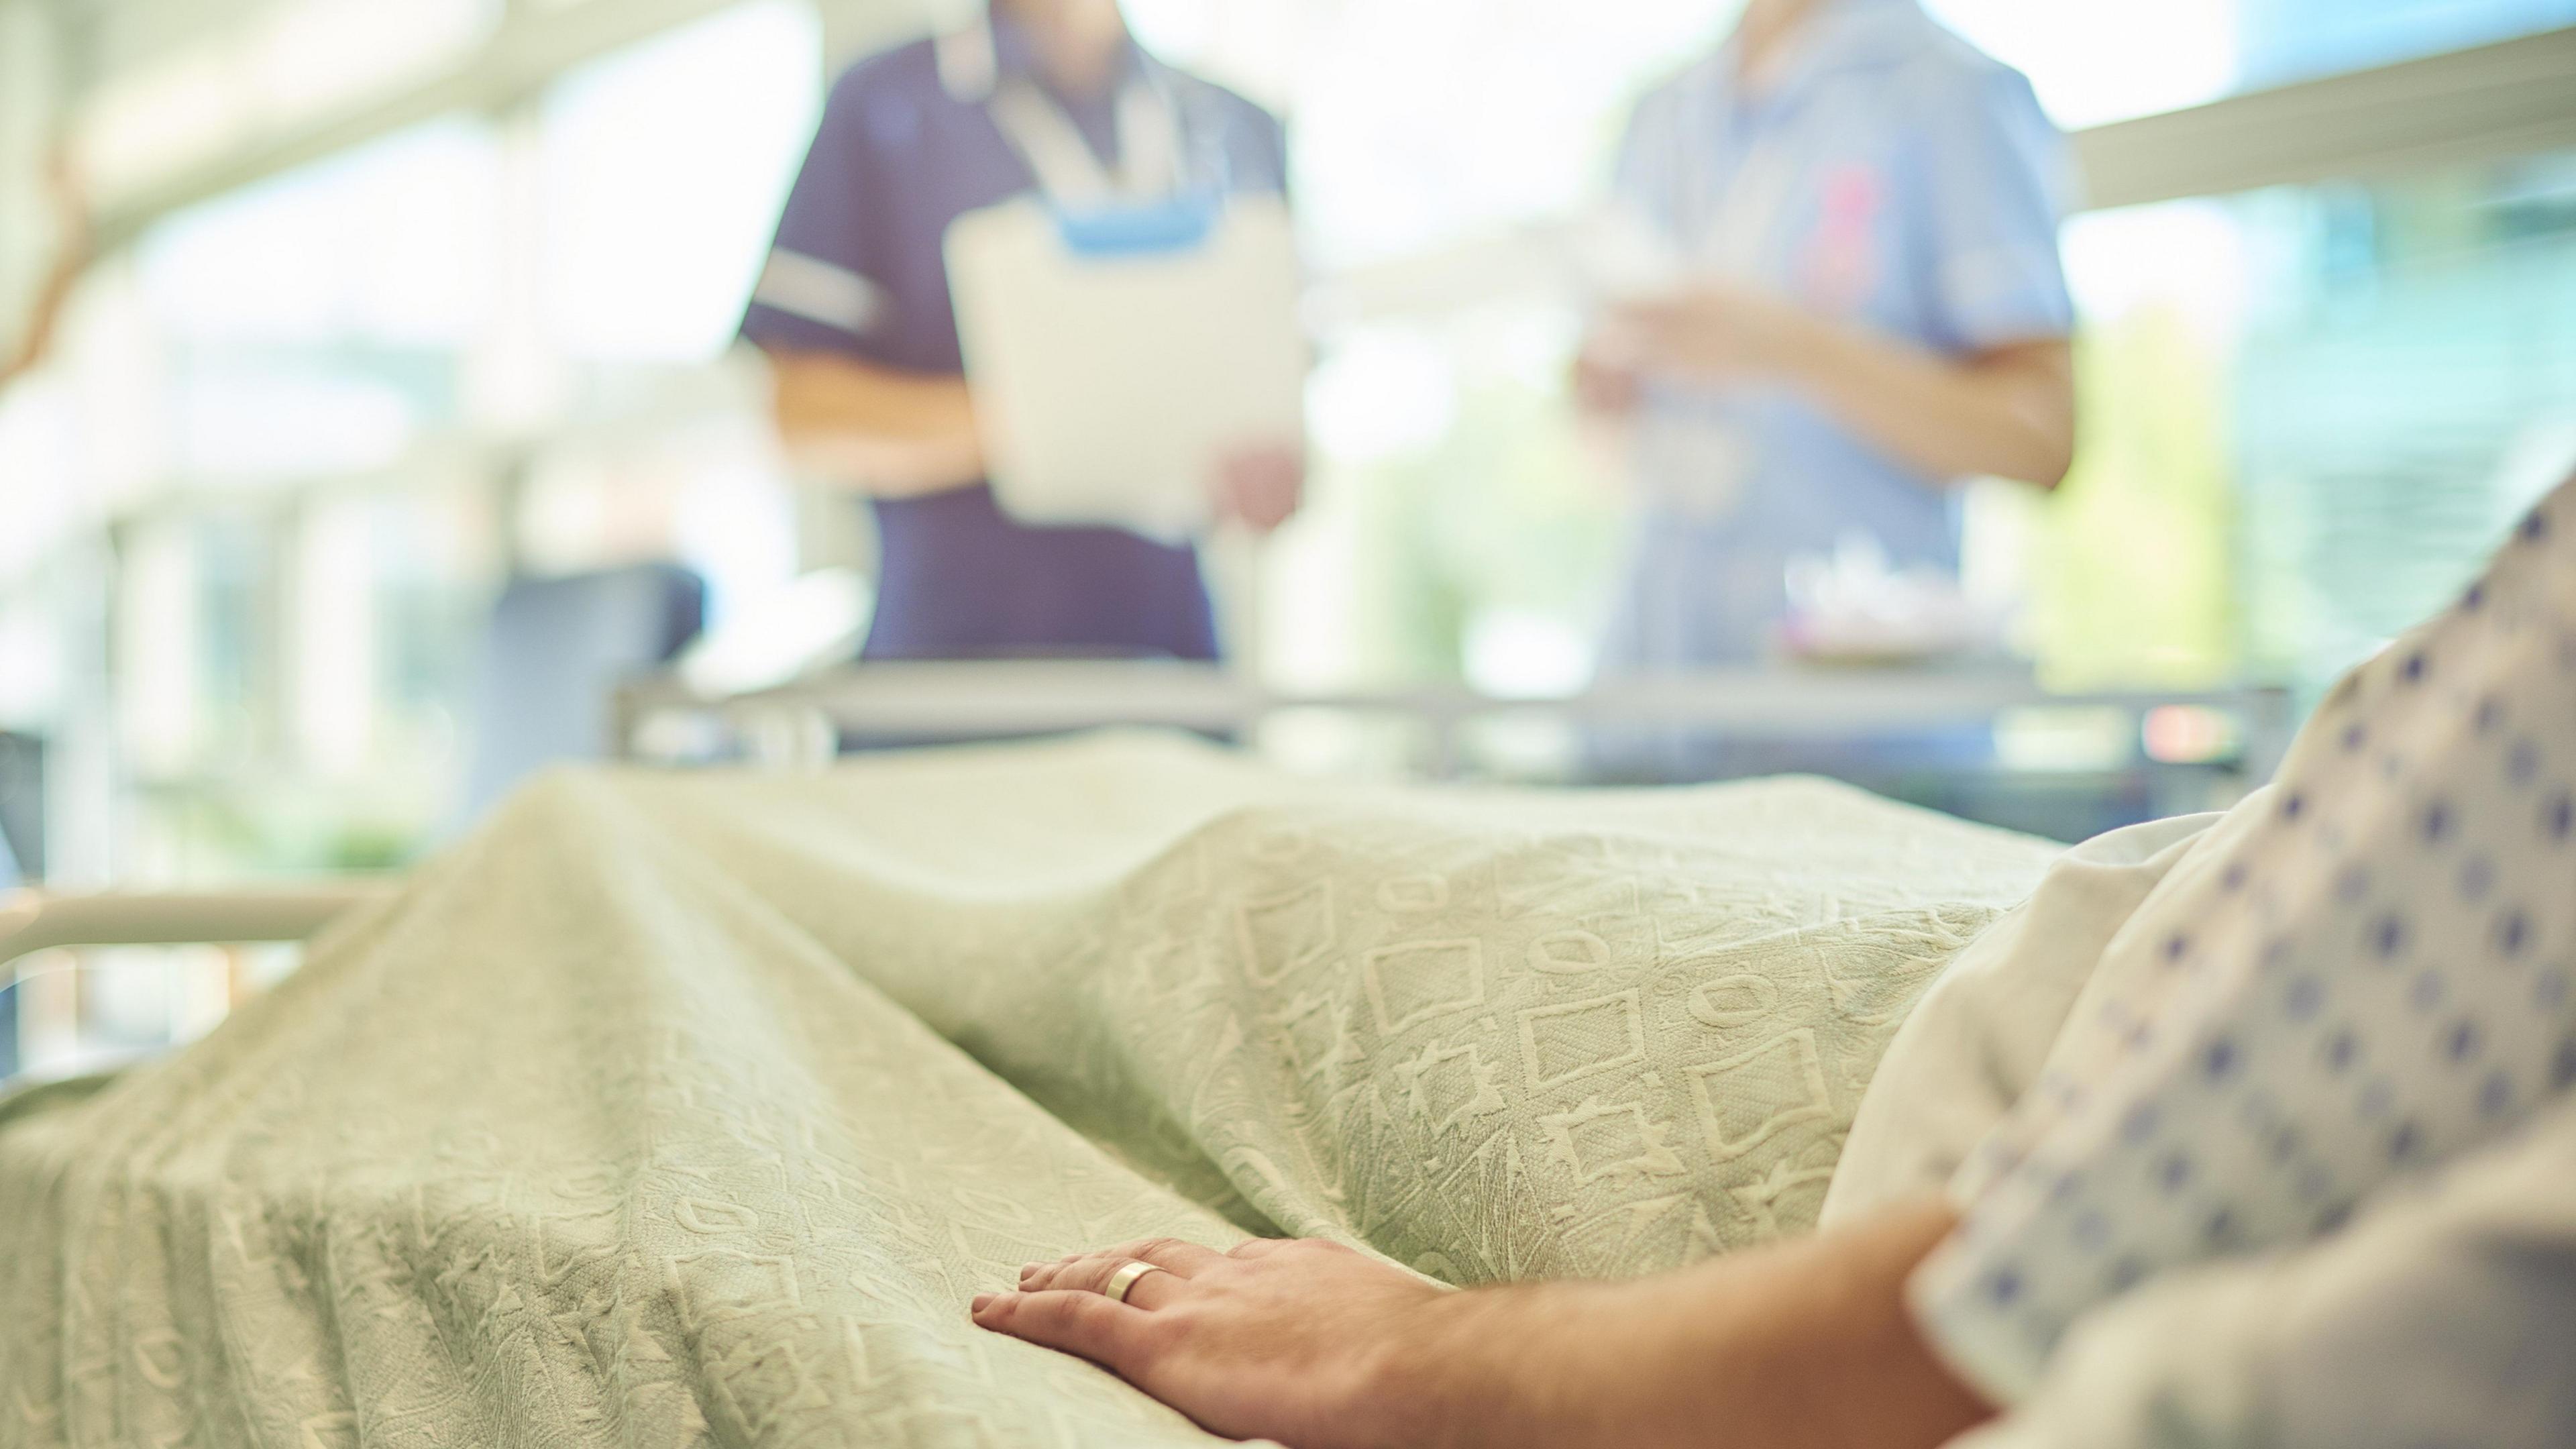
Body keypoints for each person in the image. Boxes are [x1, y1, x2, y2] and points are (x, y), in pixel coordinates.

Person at [971, 474, 2576, 1449]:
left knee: (1262, 873)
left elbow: (1967, 1324)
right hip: (1945, 908)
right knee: (1277, 852)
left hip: (1850, 1046)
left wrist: (1405, 1353)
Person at [741, 0, 1301, 662]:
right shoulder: (887, 104)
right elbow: (803, 416)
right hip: (953, 667)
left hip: (1170, 664)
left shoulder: (1235, 127)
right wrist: (1048, 422)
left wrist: (1266, 476)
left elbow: (1279, 424)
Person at [1578, 0, 2077, 676]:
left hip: (1856, 717)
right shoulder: (1662, 113)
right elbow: (1603, 430)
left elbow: (2041, 437)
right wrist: (1604, 382)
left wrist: (1791, 349)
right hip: (1647, 696)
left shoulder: (1950, 92)